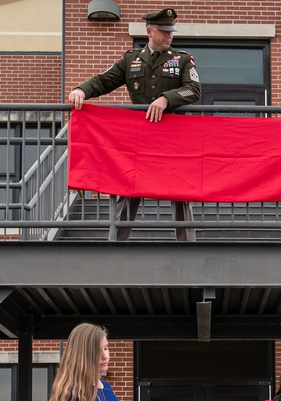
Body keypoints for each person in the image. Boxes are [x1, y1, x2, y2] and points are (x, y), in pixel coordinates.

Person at [68, 7, 201, 241]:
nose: (169, 35)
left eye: (171, 31)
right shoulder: (131, 60)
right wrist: (82, 89)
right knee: (130, 184)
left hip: (172, 138)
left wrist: (166, 99)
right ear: (149, 31)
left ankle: (187, 244)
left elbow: (194, 89)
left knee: (180, 189)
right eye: (163, 31)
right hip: (141, 137)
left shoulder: (182, 60)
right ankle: (117, 244)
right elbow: (105, 80)